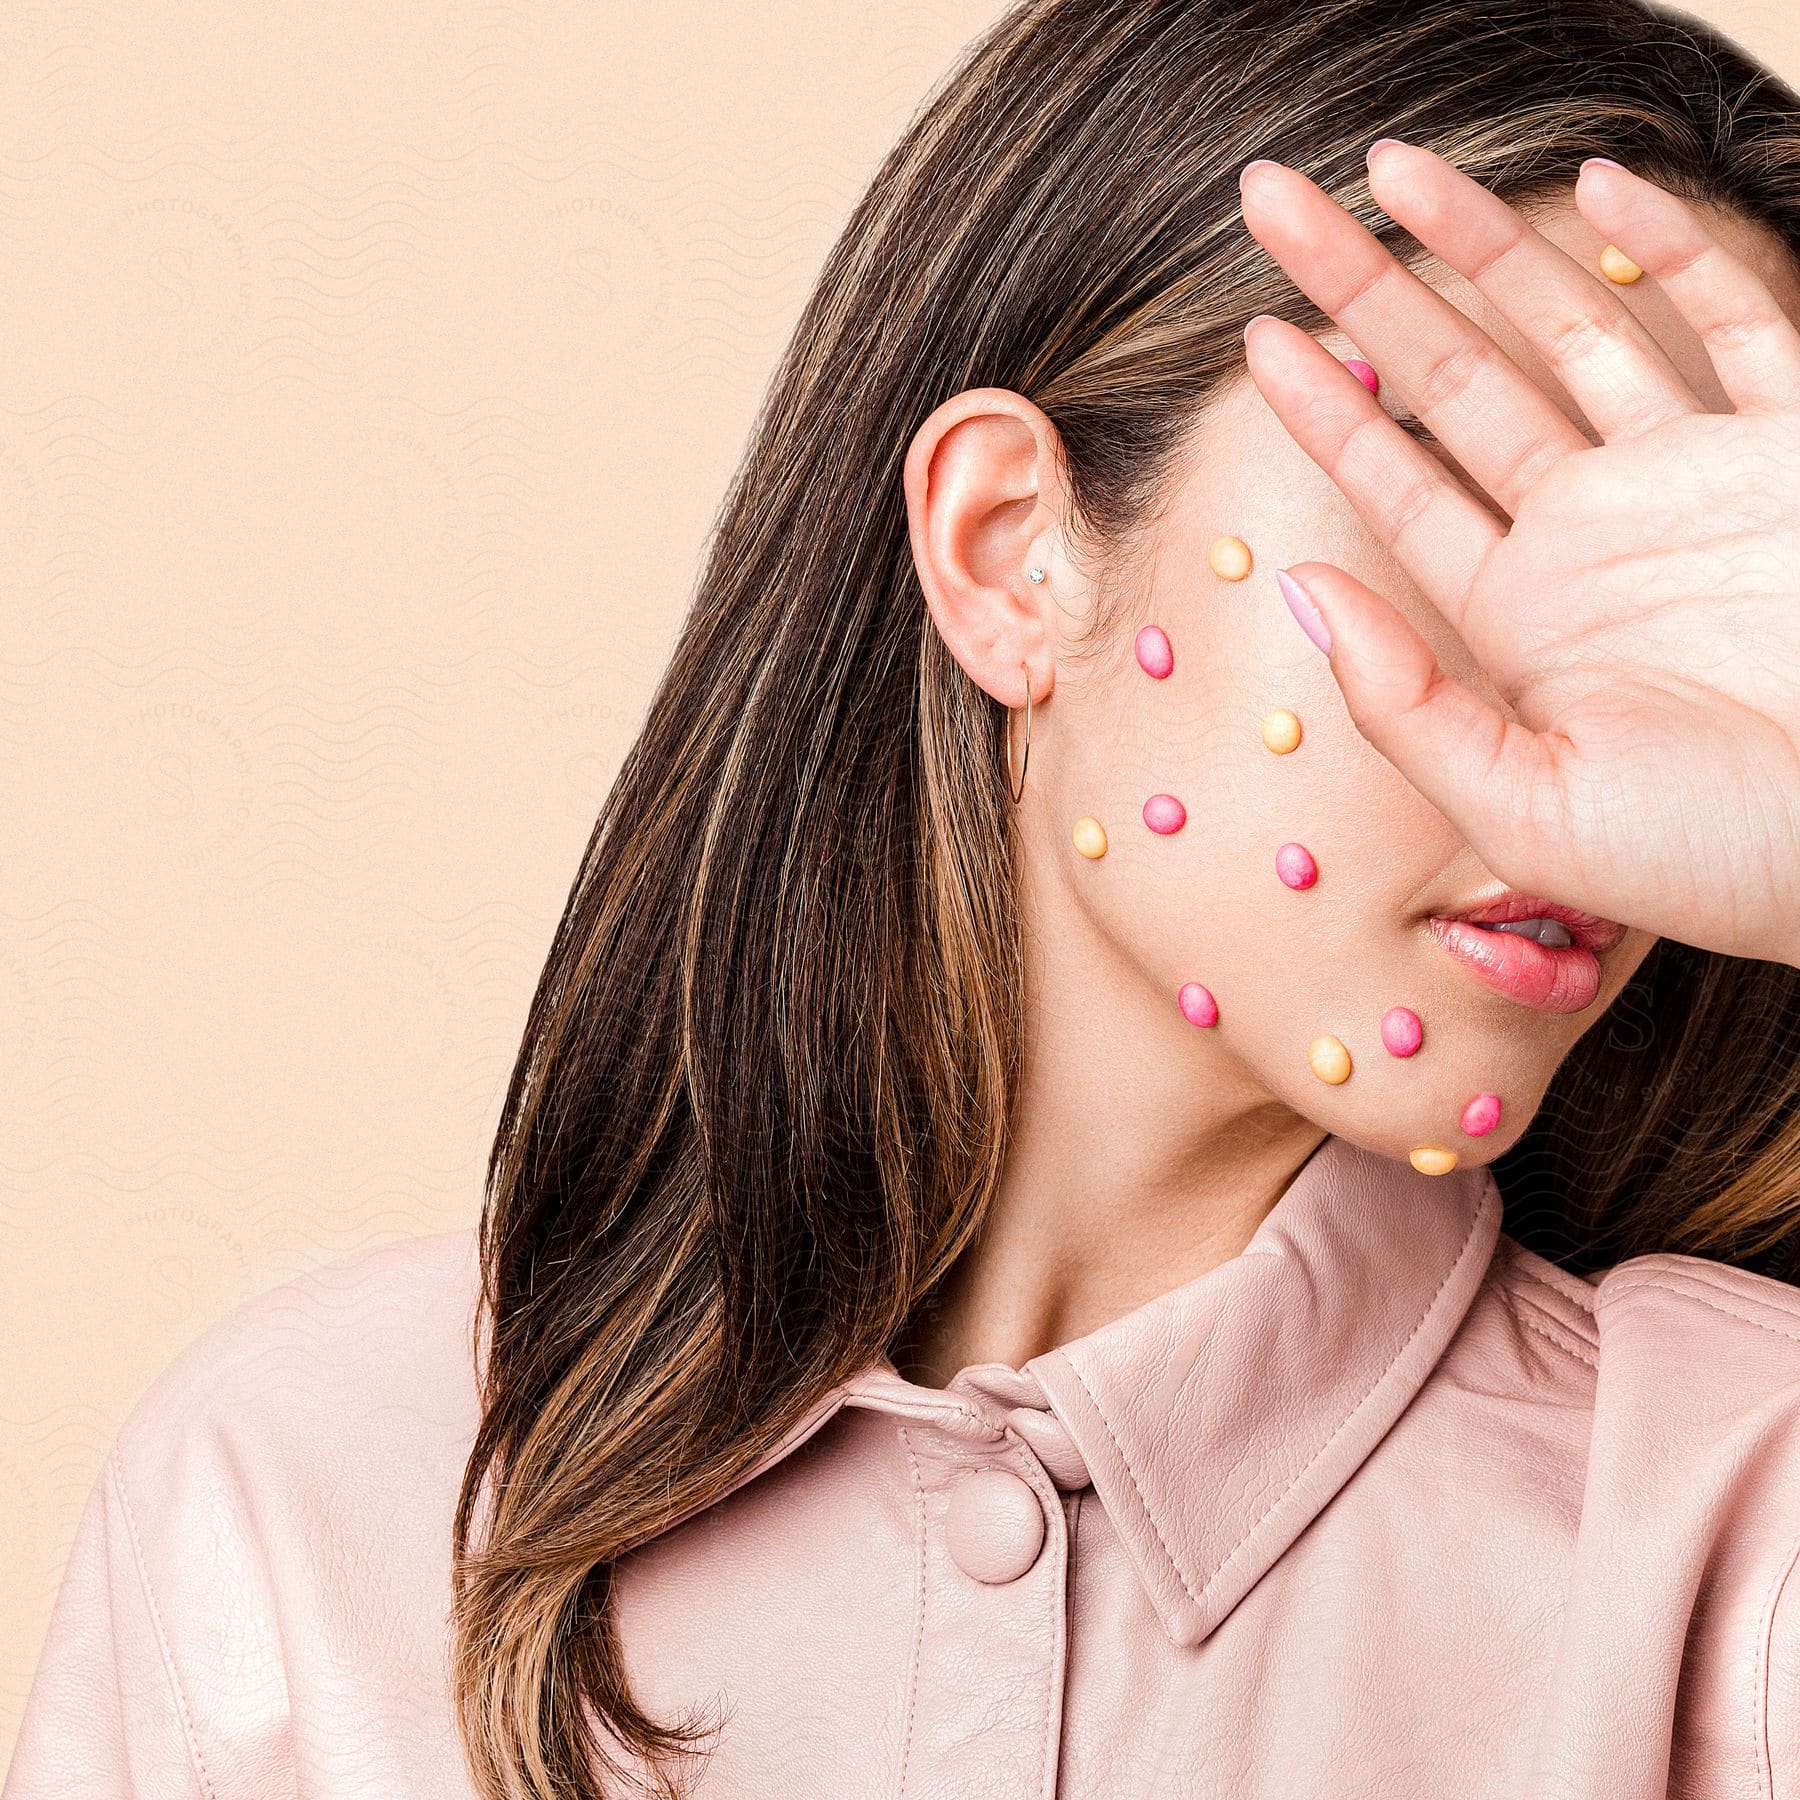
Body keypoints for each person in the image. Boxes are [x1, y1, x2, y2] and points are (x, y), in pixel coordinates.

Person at [10, 0, 1800, 1794]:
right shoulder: (311, 1490)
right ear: (1010, 551)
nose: (1585, 744)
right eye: (1464, 512)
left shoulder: (1748, 1514)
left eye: (1705, 624)